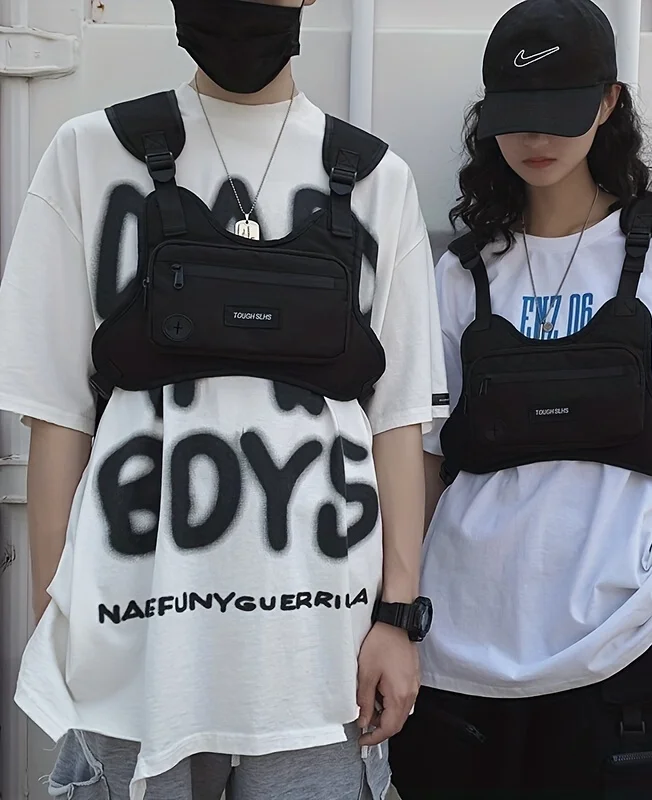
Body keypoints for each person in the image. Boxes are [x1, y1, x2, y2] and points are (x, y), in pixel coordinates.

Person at [0, 1, 447, 798]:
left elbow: (398, 423)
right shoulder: (89, 153)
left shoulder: (379, 178)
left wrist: (397, 619)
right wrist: (54, 623)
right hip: (131, 652)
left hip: (320, 658)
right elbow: (58, 418)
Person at [388, 0, 652, 797]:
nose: (538, 138)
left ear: (608, 104)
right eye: (518, 116)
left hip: (624, 639)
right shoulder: (463, 269)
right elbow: (424, 454)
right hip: (464, 643)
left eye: (562, 112)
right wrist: (401, 608)